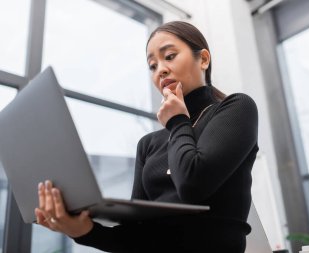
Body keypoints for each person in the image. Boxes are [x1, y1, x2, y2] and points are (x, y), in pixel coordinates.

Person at [35, 21, 259, 252]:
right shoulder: (148, 144)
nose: (160, 69)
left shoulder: (236, 108)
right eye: (152, 66)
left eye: (170, 56)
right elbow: (137, 235)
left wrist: (177, 121)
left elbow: (194, 184)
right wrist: (83, 231)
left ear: (203, 59)